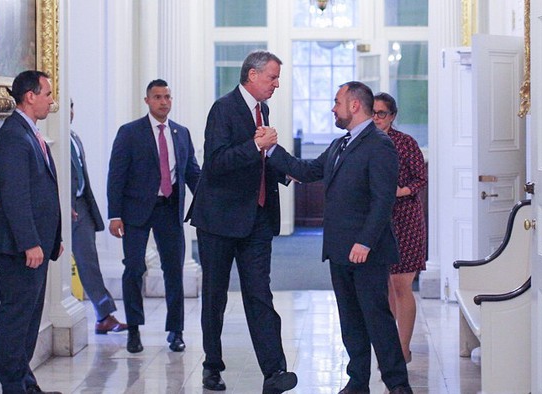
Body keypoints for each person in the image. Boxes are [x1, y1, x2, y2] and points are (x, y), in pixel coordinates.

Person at [268, 82, 413, 394]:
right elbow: (306, 171)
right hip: (338, 249)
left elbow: (383, 199)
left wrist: (366, 242)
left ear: (355, 106)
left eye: (337, 102)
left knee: (377, 319)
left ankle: (398, 384)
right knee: (350, 320)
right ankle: (357, 382)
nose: (333, 108)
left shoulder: (379, 144)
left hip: (366, 250)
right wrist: (271, 150)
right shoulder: (339, 145)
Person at [187, 50, 297, 393]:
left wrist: (291, 170)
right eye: (272, 77)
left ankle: (275, 372)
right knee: (215, 297)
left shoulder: (263, 109)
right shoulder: (224, 108)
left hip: (257, 220)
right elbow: (217, 162)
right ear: (252, 75)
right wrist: (255, 144)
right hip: (218, 220)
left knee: (260, 295)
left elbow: (262, 161)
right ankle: (211, 366)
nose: (277, 84)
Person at [107, 79, 201, 354]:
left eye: (167, 97)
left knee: (174, 270)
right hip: (136, 212)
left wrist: (209, 200)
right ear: (147, 100)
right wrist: (114, 215)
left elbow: (192, 172)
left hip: (169, 209)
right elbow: (116, 176)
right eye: (158, 97)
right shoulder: (130, 132)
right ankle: (134, 329)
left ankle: (176, 331)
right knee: (134, 268)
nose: (163, 102)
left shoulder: (181, 133)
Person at [0, 70, 63, 394]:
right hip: (20, 248)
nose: (51, 100)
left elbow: (42, 191)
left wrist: (54, 238)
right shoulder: (14, 136)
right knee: (17, 319)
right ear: (30, 96)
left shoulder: (29, 132)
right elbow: (15, 197)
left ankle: (26, 383)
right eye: (47, 93)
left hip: (37, 245)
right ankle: (14, 387)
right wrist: (31, 242)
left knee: (30, 318)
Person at [373, 92, 427, 363]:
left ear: (392, 116)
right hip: (378, 220)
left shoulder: (406, 143)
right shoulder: (365, 142)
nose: (377, 118)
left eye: (382, 113)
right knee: (386, 285)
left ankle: (403, 348)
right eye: (372, 112)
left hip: (405, 218)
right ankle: (392, 347)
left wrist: (400, 191)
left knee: (401, 284)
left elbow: (421, 178)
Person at [69, 99, 128, 335]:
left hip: (82, 206)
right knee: (85, 262)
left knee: (88, 261)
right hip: (67, 208)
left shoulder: (73, 137)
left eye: (72, 107)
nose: (71, 112)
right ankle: (104, 314)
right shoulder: (49, 140)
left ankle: (104, 315)